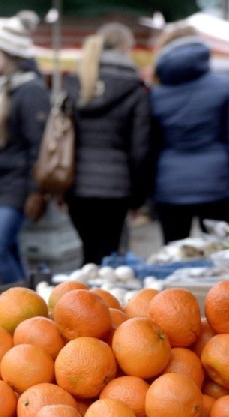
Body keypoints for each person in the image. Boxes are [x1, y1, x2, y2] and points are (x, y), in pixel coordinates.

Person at [149, 24, 229, 244]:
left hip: (170, 186)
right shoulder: (224, 86)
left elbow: (149, 145)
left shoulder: (155, 95)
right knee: (219, 259)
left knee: (175, 258)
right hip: (217, 184)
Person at [63, 23, 151, 266]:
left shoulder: (76, 83)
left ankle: (79, 301)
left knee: (88, 253)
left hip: (77, 184)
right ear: (126, 48)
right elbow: (140, 148)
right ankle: (102, 302)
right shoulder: (134, 89)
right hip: (116, 186)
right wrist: (138, 198)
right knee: (109, 255)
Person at [0, 11, 51, 284]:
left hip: (16, 184)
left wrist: (35, 191)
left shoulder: (30, 90)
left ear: (9, 54)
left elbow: (39, 146)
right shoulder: (3, 88)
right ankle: (32, 310)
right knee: (9, 249)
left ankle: (22, 306)